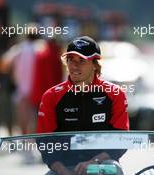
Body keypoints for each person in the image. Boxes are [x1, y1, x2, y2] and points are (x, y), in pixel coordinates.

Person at [36, 36, 129, 175]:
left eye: (81, 61)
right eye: (70, 60)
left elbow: (122, 139)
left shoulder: (115, 93)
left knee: (113, 170)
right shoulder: (51, 96)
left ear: (95, 64)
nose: (74, 66)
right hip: (65, 167)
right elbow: (45, 142)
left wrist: (93, 162)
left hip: (101, 164)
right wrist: (62, 171)